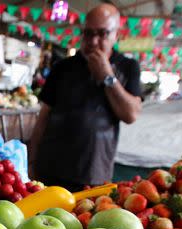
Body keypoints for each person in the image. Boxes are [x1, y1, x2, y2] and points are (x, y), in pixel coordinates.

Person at [28, 3, 142, 190]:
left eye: (102, 33)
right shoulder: (62, 67)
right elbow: (44, 116)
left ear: (116, 35)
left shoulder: (128, 67)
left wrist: (107, 77)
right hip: (50, 169)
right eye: (88, 33)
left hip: (93, 174)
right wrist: (32, 161)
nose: (94, 41)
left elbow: (131, 115)